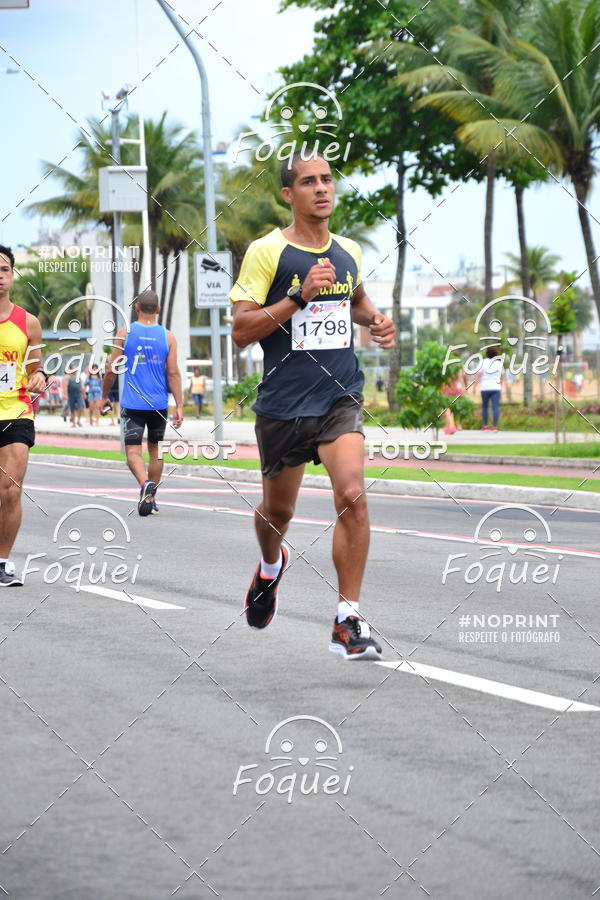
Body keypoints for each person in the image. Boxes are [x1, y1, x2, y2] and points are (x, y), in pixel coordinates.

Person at [230, 152, 395, 660]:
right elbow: (240, 331)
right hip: (282, 403)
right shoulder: (266, 252)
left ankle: (348, 619)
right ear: (289, 194)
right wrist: (297, 297)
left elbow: (355, 302)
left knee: (352, 493)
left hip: (338, 395)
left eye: (326, 179)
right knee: (278, 512)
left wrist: (377, 320)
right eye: (308, 182)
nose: (321, 188)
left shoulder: (347, 251)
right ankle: (270, 565)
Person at [101, 289, 183, 516]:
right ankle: (152, 497)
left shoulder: (124, 333)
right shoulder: (168, 337)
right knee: (156, 450)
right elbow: (173, 373)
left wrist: (104, 396)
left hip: (133, 404)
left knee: (133, 453)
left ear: (136, 308)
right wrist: (180, 405)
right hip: (159, 404)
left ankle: (144, 484)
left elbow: (111, 369)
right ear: (157, 310)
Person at [0, 246, 47, 586]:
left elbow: (36, 369)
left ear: (12, 275)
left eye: (3, 269)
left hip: (16, 412)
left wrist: (39, 378)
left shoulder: (28, 322)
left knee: (11, 491)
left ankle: (2, 562)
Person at [478, 346, 502, 431]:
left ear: (487, 354)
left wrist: (474, 386)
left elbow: (479, 375)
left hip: (484, 388)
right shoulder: (499, 363)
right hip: (496, 388)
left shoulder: (482, 362)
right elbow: (501, 377)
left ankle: (485, 426)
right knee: (495, 407)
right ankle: (494, 426)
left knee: (485, 407)